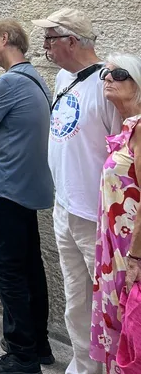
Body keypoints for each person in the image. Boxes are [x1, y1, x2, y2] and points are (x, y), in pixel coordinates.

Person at [32, 9, 121, 374]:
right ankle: (83, 366)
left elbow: (123, 149)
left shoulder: (109, 84)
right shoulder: (62, 80)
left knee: (107, 301)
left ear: (71, 41)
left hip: (96, 213)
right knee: (75, 297)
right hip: (65, 206)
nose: (44, 46)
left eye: (50, 38)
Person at [0, 20, 54, 374]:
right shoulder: (37, 79)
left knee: (7, 267)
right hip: (28, 187)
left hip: (6, 187)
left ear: (5, 39)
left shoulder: (7, 82)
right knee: (30, 264)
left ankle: (21, 354)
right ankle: (39, 344)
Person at [91, 53, 141, 373]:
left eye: (118, 74)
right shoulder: (126, 128)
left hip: (131, 252)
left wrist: (136, 258)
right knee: (119, 329)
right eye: (105, 75)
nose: (108, 78)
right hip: (113, 252)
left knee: (131, 330)